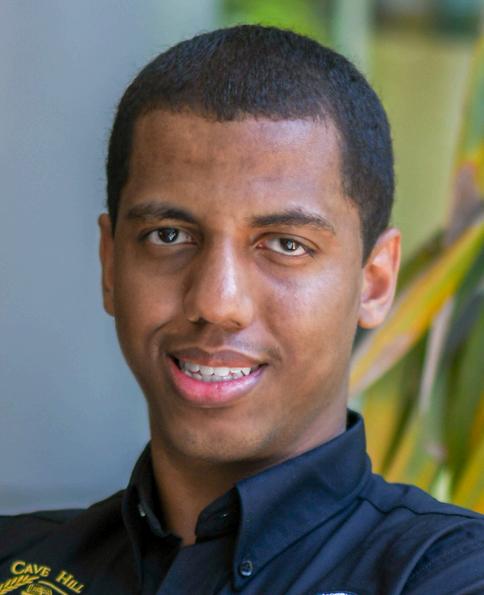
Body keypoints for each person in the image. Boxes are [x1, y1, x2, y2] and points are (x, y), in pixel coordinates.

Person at [0, 25, 482, 595]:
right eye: (169, 235)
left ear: (374, 282)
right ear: (110, 265)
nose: (216, 303)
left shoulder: (447, 574)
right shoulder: (19, 558)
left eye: (286, 244)